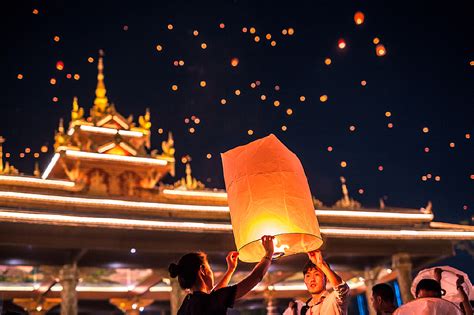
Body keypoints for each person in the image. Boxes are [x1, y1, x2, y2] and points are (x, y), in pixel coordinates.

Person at [168, 235, 274, 314]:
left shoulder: (187, 304)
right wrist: (269, 253)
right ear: (202, 270)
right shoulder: (211, 301)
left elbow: (215, 296)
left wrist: (230, 270)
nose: (212, 274)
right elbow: (256, 277)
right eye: (210, 270)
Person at [283, 250, 350, 315]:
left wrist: (321, 264)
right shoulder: (304, 310)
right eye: (308, 275)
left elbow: (341, 288)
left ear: (326, 279)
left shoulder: (333, 300)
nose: (312, 279)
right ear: (305, 281)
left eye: (316, 274)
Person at [394, 279, 463, 315]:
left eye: (432, 301)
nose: (427, 304)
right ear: (416, 297)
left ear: (440, 299)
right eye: (422, 300)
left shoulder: (451, 312)